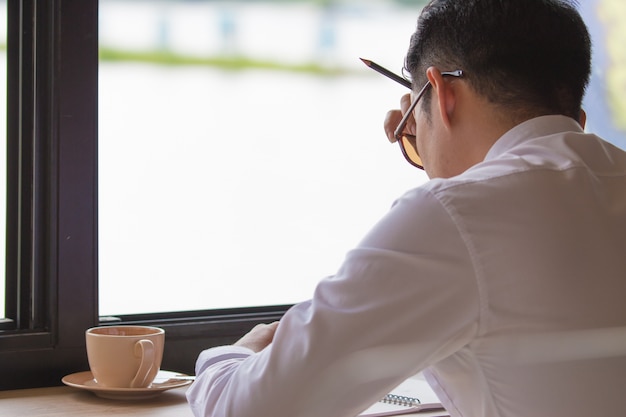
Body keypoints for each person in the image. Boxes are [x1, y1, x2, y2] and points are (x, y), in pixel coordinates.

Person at [187, 1, 626, 416]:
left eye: (416, 110)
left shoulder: (454, 216)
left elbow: (244, 408)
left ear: (444, 93)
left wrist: (235, 352)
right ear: (577, 119)